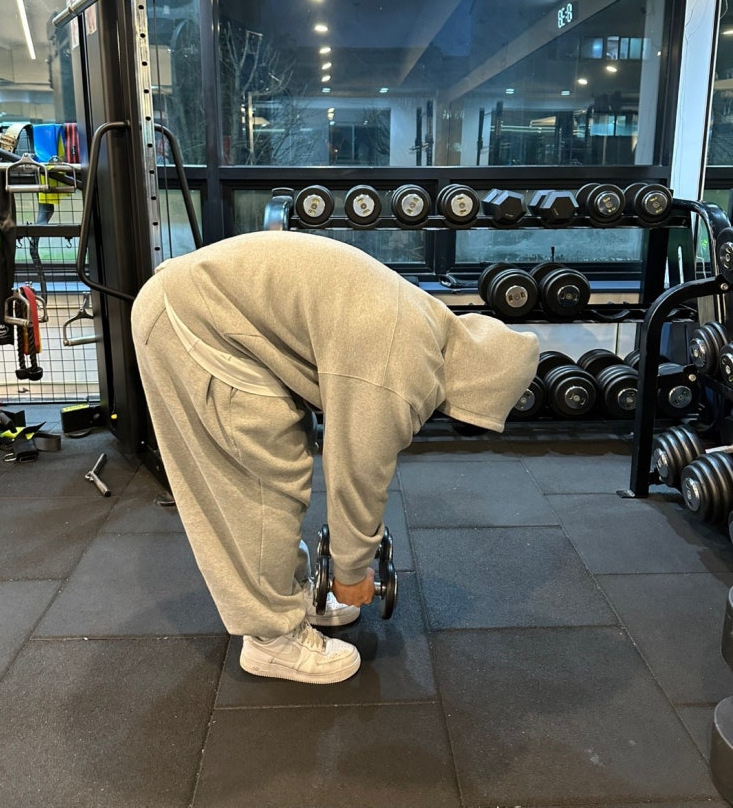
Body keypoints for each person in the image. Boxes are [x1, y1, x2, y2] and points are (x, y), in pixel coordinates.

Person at [130, 231, 539, 684]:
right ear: (478, 389)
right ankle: (271, 641)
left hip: (206, 309)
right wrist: (350, 569)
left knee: (281, 460)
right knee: (260, 483)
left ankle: (285, 598)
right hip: (195, 323)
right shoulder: (401, 369)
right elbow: (357, 471)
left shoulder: (426, 323)